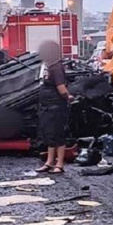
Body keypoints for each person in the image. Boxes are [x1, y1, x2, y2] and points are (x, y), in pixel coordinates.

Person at [35, 40, 73, 174]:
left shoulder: (56, 68)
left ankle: (60, 164)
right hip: (47, 106)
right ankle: (49, 162)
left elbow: (61, 87)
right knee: (50, 135)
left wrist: (68, 97)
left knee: (58, 135)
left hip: (56, 106)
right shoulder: (49, 67)